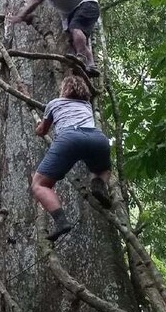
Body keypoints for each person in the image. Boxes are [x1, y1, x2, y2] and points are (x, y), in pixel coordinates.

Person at [32, 75, 112, 241]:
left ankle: (61, 222)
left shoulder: (54, 103)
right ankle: (98, 183)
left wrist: (38, 125)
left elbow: (42, 131)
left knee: (40, 184)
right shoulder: (87, 105)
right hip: (97, 138)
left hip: (69, 139)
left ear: (65, 89)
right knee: (102, 169)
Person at [8, 0, 101, 78]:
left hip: (86, 4)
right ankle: (90, 66)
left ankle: (81, 58)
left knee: (76, 29)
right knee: (73, 39)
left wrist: (20, 16)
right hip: (71, 12)